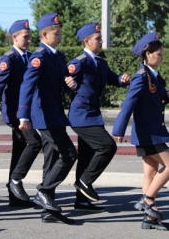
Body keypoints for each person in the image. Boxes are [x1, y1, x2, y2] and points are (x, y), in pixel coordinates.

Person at [18, 13, 77, 223]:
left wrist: (69, 85)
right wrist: (23, 114)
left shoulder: (58, 56)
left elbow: (57, 83)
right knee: (69, 154)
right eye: (56, 33)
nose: (60, 36)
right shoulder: (39, 56)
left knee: (52, 160)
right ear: (44, 34)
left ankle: (49, 212)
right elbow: (27, 85)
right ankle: (43, 190)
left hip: (55, 114)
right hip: (43, 115)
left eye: (60, 32)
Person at [67, 22, 130, 212]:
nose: (101, 41)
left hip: (93, 114)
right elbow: (63, 82)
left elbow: (113, 79)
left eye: (101, 38)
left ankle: (81, 201)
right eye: (98, 39)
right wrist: (69, 84)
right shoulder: (78, 62)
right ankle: (85, 182)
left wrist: (123, 79)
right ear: (86, 41)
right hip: (81, 115)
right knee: (107, 146)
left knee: (86, 156)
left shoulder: (101, 62)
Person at [113, 32, 169, 231]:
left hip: (153, 132)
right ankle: (148, 199)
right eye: (158, 54)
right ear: (147, 55)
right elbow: (129, 104)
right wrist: (118, 128)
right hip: (149, 133)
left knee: (150, 173)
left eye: (162, 54)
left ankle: (149, 218)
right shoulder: (141, 77)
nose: (161, 58)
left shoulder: (154, 76)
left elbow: (161, 98)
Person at [0, 19, 42, 207]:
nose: (28, 40)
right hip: (14, 112)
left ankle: (14, 196)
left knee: (19, 150)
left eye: (29, 37)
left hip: (27, 112)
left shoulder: (30, 56)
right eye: (25, 37)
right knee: (34, 142)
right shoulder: (8, 58)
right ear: (14, 37)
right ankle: (15, 181)